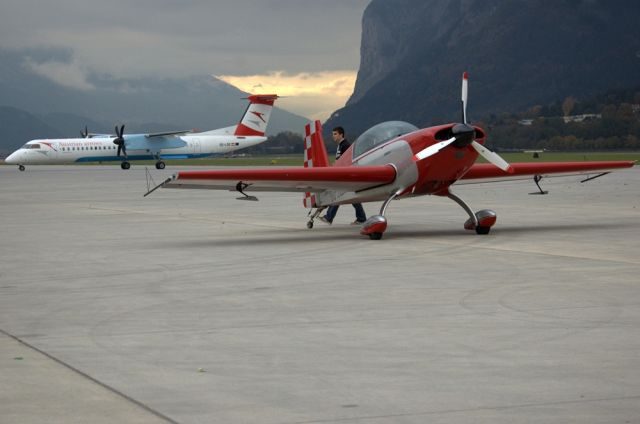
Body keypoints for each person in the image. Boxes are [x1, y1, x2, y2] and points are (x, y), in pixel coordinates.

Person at [319, 126, 367, 225]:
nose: (333, 136)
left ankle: (329, 217)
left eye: (335, 134)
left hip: (346, 175)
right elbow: (340, 160)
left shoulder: (345, 145)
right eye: (333, 134)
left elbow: (347, 161)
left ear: (341, 134)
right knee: (352, 197)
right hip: (345, 175)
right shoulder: (341, 145)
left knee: (339, 195)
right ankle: (361, 218)